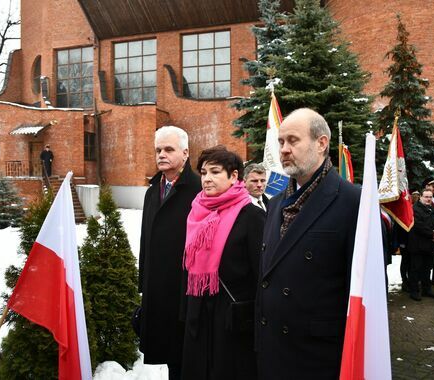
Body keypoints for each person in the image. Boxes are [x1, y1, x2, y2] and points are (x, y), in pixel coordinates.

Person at [256, 108, 360, 379]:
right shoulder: (276, 202)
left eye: (293, 141)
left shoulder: (354, 202)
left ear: (321, 143)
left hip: (317, 358)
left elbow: (361, 292)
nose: (284, 150)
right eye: (281, 142)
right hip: (271, 351)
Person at [181, 146, 265, 380]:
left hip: (232, 322)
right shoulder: (196, 212)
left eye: (215, 172)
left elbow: (262, 274)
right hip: (198, 317)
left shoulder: (251, 216)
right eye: (204, 172)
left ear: (234, 176)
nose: (207, 179)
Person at [138, 126, 201, 380]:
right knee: (169, 357)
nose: (161, 154)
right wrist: (144, 285)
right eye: (158, 150)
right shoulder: (153, 191)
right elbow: (145, 241)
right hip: (158, 290)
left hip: (186, 291)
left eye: (168, 149)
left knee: (186, 359)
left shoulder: (199, 190)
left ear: (185, 153)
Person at [407, 188, 434, 301]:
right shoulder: (414, 209)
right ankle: (414, 291)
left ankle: (426, 289)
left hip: (430, 246)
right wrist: (433, 234)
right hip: (418, 245)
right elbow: (419, 226)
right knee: (415, 269)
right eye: (426, 197)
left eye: (430, 197)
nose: (428, 199)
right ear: (421, 197)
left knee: (427, 269)